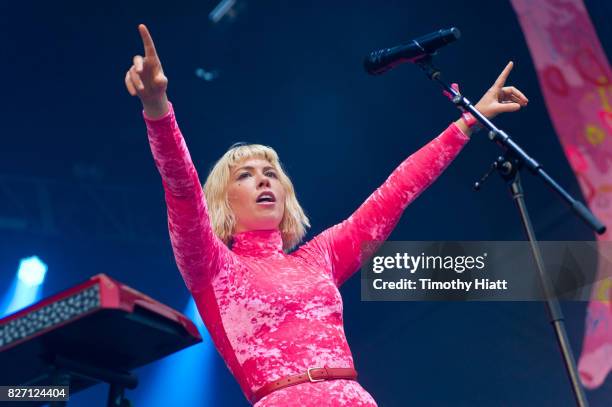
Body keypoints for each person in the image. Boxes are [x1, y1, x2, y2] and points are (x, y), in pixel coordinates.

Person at [125, 24, 528, 406]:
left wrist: (469, 122)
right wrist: (157, 107)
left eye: (271, 174)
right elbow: (181, 189)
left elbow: (397, 190)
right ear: (223, 202)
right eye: (245, 176)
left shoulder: (318, 258)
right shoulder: (213, 267)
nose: (264, 181)